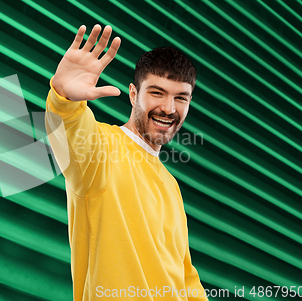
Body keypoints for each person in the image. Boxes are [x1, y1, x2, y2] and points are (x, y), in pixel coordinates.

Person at [45, 24, 208, 300]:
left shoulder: (171, 186)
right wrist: (66, 99)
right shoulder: (102, 150)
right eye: (157, 93)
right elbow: (71, 130)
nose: (169, 108)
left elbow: (185, 277)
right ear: (133, 94)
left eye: (180, 97)